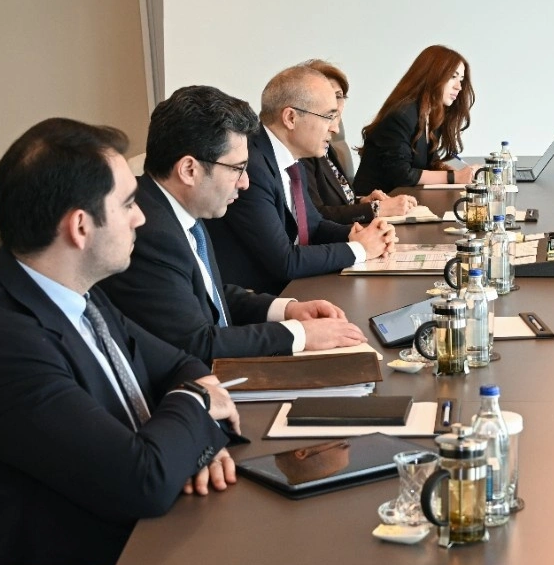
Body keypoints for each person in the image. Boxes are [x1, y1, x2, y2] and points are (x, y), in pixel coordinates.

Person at [0, 119, 240, 565]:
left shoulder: (68, 288)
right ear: (81, 227)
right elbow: (144, 479)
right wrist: (198, 409)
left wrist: (193, 443)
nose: (141, 217)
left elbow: (180, 364)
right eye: (128, 203)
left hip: (127, 541)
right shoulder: (0, 344)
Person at [100, 85, 367, 365]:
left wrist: (286, 310)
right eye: (237, 169)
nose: (245, 182)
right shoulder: (149, 232)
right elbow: (197, 344)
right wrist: (299, 334)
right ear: (189, 170)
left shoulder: (179, 209)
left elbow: (208, 295)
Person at [207, 64, 396, 294]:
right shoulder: (252, 167)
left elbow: (313, 225)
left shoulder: (291, 159)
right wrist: (360, 249)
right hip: (259, 300)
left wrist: (357, 234)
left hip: (294, 288)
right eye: (329, 117)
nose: (335, 128)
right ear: (291, 118)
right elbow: (285, 261)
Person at [352, 44, 481, 195]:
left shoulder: (431, 114)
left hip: (405, 199)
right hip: (376, 202)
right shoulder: (401, 116)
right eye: (453, 77)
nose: (459, 87)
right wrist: (454, 177)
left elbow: (430, 160)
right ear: (432, 76)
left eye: (461, 79)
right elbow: (402, 175)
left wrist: (454, 171)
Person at [299, 59, 417, 224]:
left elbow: (337, 201)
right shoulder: (303, 147)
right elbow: (316, 215)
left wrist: (362, 202)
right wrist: (375, 209)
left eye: (339, 96)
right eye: (327, 95)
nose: (334, 103)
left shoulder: (326, 143)